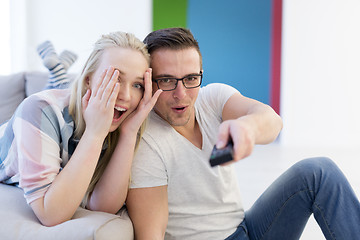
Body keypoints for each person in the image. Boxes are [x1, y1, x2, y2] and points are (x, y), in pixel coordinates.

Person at [126, 27, 360, 240]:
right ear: (149, 82)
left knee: (319, 171)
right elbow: (150, 235)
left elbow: (272, 120)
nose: (181, 93)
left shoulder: (212, 98)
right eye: (166, 80)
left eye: (190, 79)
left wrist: (248, 127)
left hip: (246, 229)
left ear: (200, 74)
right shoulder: (146, 141)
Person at [0, 31, 162, 227]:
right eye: (116, 78)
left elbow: (103, 206)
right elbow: (50, 214)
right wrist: (94, 133)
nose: (127, 96)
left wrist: (128, 134)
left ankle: (58, 70)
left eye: (137, 85)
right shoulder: (39, 110)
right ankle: (57, 70)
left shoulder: (121, 124)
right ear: (88, 79)